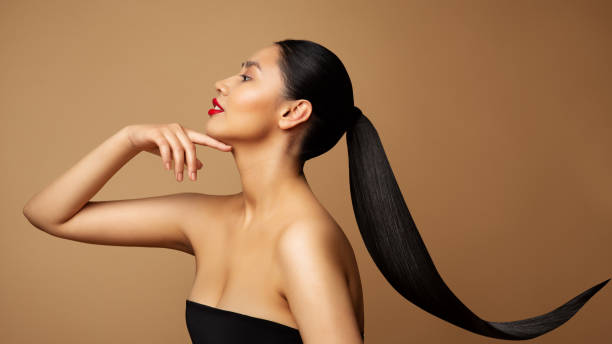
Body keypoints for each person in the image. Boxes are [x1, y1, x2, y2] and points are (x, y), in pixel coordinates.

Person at [22, 39, 609, 343]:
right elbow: (49, 215)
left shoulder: (302, 243)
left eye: (248, 74)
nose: (222, 83)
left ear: (294, 111)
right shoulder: (207, 220)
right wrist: (127, 139)